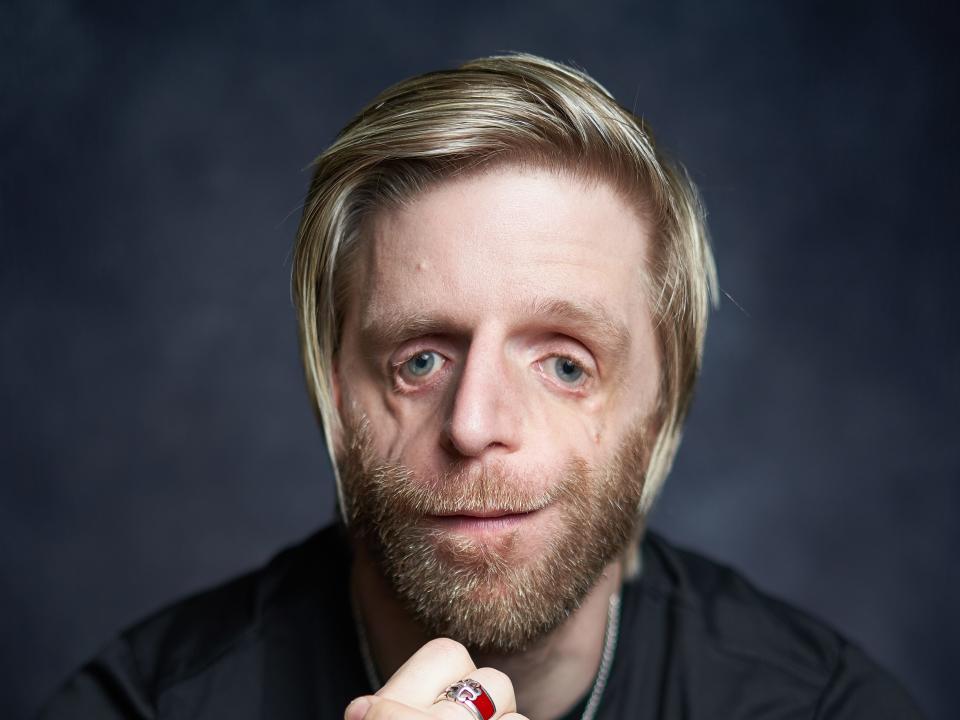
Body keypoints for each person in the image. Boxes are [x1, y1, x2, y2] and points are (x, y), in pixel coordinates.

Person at [40, 53, 924, 720]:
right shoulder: (149, 705)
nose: (475, 425)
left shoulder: (818, 706)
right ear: (336, 396)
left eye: (566, 362)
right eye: (420, 358)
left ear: (661, 407)